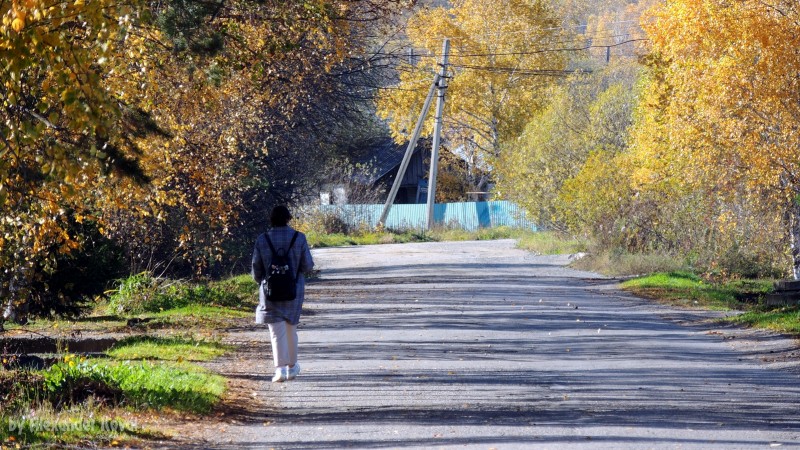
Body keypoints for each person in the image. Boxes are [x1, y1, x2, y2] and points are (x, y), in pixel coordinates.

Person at [252, 205, 314, 383]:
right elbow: (307, 266)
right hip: (294, 290)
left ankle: (280, 370)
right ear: (288, 218)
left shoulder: (262, 239)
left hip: (270, 291)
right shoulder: (299, 238)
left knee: (275, 332)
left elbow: (256, 268)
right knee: (291, 329)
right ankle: (292, 367)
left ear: (271, 219)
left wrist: (260, 281)